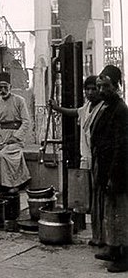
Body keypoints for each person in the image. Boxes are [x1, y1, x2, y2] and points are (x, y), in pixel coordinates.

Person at [50, 75, 105, 246]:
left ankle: (102, 237)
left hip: (98, 159)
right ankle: (97, 236)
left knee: (99, 200)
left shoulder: (103, 108)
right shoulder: (87, 107)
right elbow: (74, 112)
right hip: (86, 158)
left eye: (93, 89)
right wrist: (57, 108)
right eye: (87, 89)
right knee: (89, 199)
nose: (90, 92)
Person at [91, 64, 128, 273]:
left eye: (106, 87)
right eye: (100, 86)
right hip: (106, 166)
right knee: (110, 211)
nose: (102, 91)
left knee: (121, 213)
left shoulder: (121, 110)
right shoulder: (107, 107)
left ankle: (125, 257)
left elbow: (121, 147)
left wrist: (114, 175)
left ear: (115, 86)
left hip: (118, 169)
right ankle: (113, 248)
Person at [0, 71, 31, 193]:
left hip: (15, 139)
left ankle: (14, 184)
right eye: (0, 87)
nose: (3, 90)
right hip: (1, 137)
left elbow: (26, 122)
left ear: (10, 87)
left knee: (3, 155)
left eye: (5, 87)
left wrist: (16, 137)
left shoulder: (19, 101)